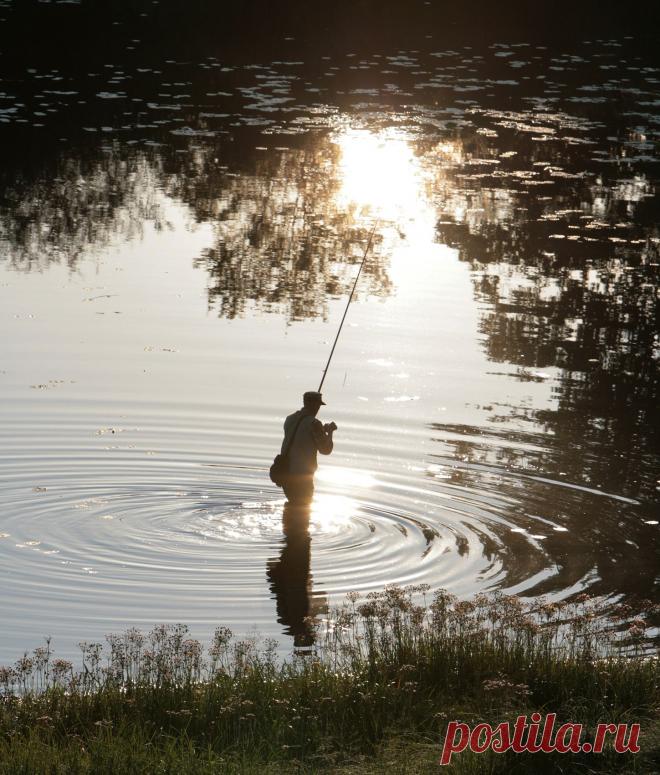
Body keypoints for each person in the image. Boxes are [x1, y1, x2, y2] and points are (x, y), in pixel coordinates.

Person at [280, 391, 336, 504]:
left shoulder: (290, 419)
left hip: (286, 474)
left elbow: (301, 437)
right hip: (303, 479)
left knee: (292, 509)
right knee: (303, 513)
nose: (318, 409)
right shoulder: (314, 424)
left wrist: (321, 431)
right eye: (318, 405)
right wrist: (329, 432)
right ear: (314, 405)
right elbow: (325, 450)